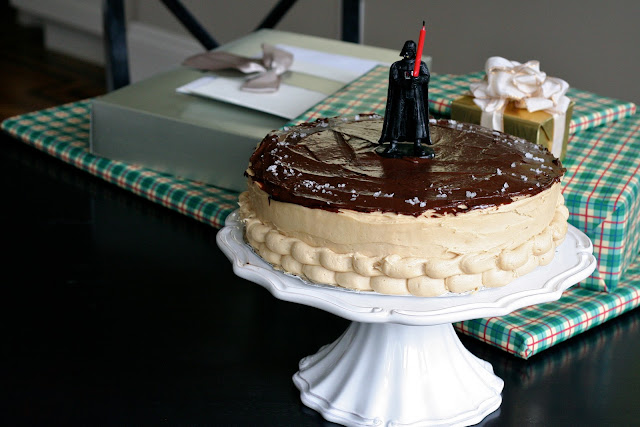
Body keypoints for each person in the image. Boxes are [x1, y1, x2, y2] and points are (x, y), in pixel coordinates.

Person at [378, 40, 433, 158]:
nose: (407, 53)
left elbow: (426, 77)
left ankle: (417, 145)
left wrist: (418, 80)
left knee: (417, 119)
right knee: (397, 118)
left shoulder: (421, 65)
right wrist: (406, 83)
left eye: (410, 51)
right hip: (400, 95)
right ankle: (393, 144)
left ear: (414, 52)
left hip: (415, 95)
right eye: (406, 50)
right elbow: (395, 79)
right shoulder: (397, 65)